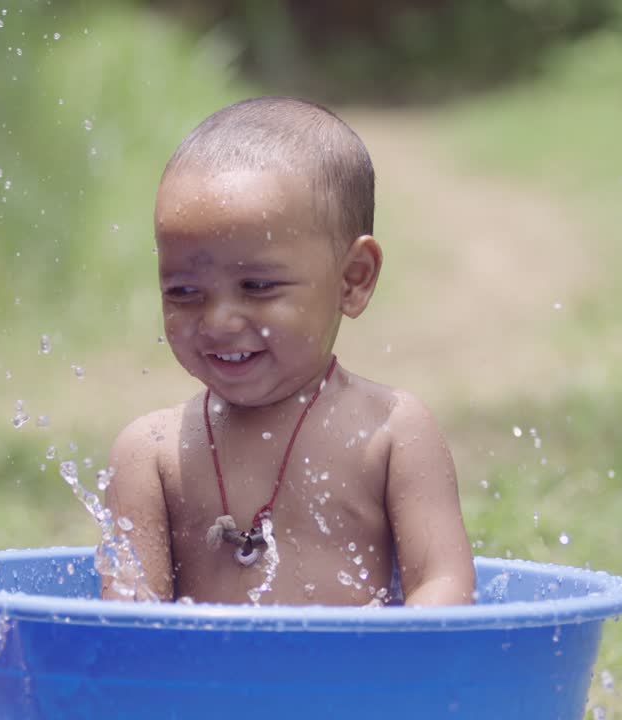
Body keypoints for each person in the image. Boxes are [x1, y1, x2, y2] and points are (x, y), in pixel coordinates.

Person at [100, 97, 473, 606]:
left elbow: (442, 585)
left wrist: (392, 672)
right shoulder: (150, 453)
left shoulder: (392, 432)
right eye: (183, 292)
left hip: (355, 685)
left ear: (352, 279)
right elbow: (127, 622)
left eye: (256, 286)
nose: (218, 321)